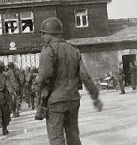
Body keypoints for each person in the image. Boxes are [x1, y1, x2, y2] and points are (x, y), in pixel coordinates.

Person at [35, 17, 103, 145]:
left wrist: (38, 95)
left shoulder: (47, 51)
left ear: (50, 33)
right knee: (73, 136)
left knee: (56, 138)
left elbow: (43, 77)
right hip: (73, 99)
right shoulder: (74, 50)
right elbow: (85, 76)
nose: (42, 37)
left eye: (43, 33)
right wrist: (95, 97)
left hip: (55, 101)